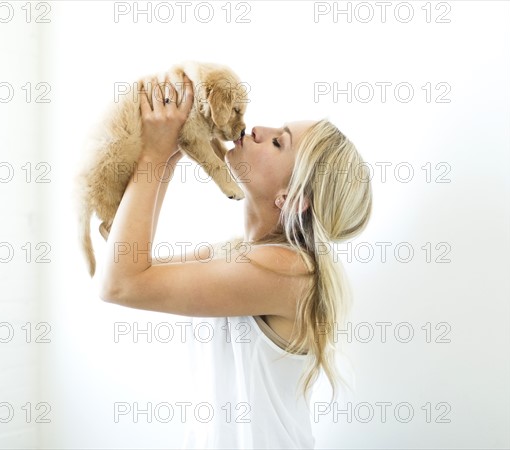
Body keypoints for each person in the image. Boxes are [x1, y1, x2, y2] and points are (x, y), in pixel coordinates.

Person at [98, 75, 373, 449]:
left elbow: (121, 283)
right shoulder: (232, 255)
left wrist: (155, 155)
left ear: (289, 197)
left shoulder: (290, 271)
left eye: (279, 143)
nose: (258, 129)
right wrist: (173, 148)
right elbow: (129, 265)